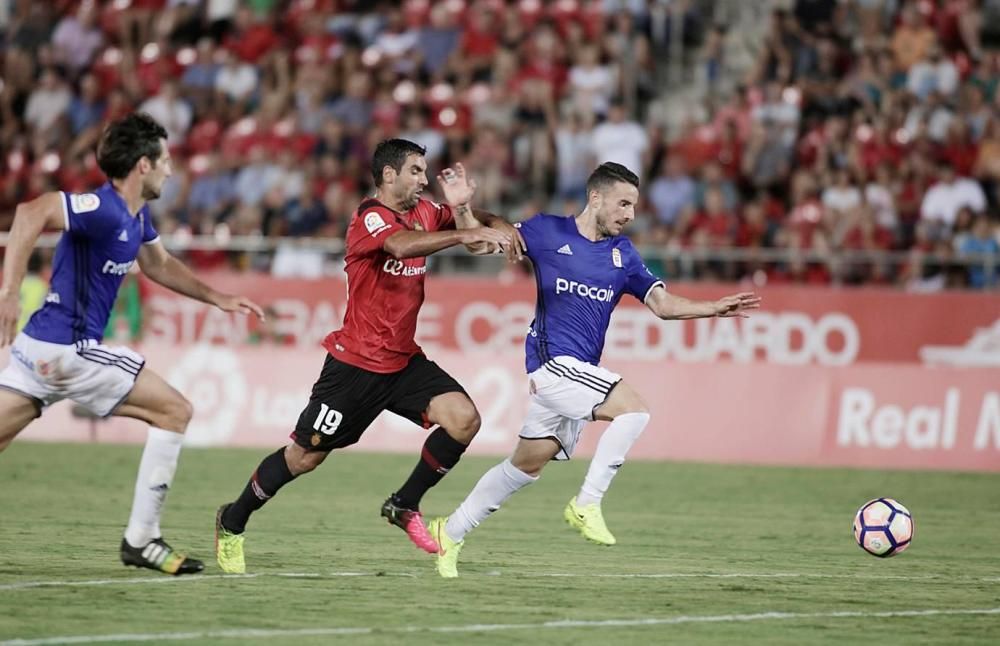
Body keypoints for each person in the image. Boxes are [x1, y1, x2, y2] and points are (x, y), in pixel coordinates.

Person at [427, 162, 761, 577]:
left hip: (577, 372)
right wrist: (463, 209)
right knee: (634, 410)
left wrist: (712, 308)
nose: (630, 214)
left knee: (525, 466)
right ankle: (586, 503)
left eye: (634, 206)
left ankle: (450, 531)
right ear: (595, 198)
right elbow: (480, 247)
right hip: (552, 365)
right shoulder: (546, 231)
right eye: (623, 203)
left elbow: (662, 305)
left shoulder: (623, 255)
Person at [214, 138, 524, 574]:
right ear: (389, 174)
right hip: (354, 366)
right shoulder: (369, 218)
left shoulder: (426, 213)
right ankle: (232, 520)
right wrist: (466, 231)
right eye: (415, 170)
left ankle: (404, 503)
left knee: (464, 419)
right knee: (304, 457)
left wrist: (474, 214)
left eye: (425, 171)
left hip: (403, 362)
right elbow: (401, 247)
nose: (423, 179)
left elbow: (478, 232)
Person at [0, 112, 264, 575]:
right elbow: (29, 213)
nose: (170, 169)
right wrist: (8, 292)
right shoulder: (102, 209)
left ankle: (143, 540)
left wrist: (218, 298)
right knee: (175, 410)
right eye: (164, 160)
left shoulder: (136, 218)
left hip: (37, 352)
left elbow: (160, 265)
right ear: (143, 165)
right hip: (68, 350)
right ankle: (142, 539)